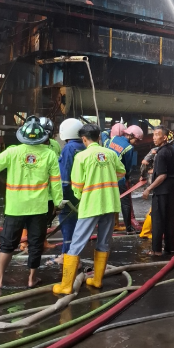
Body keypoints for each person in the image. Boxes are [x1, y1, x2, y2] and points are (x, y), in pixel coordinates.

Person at [0, 117, 61, 289]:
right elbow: (55, 182)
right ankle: (31, 279)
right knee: (36, 244)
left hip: (15, 208)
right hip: (39, 208)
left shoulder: (12, 152)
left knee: (7, 245)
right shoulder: (49, 154)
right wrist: (58, 202)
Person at [53, 124, 126, 295]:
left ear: (84, 139)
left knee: (76, 244)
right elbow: (121, 172)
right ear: (99, 137)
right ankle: (97, 281)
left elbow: (76, 185)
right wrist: (106, 177)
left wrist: (80, 196)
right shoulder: (110, 154)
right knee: (104, 242)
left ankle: (65, 286)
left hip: (91, 205)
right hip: (110, 204)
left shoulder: (82, 156)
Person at [142, 125, 174, 257]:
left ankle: (156, 250)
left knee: (157, 220)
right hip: (173, 189)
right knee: (169, 220)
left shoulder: (161, 153)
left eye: (157, 134)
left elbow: (162, 175)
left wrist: (148, 189)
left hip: (162, 191)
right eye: (153, 134)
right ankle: (170, 248)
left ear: (164, 137)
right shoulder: (172, 150)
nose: (154, 137)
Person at [56, 118, 86, 255]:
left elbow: (65, 173)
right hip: (83, 192)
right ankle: (73, 253)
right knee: (78, 223)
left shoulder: (69, 148)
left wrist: (60, 196)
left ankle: (66, 254)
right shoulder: (85, 146)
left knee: (67, 221)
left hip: (70, 193)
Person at [106, 124, 141, 232]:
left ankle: (108, 227)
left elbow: (104, 136)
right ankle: (128, 229)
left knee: (109, 201)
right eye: (137, 140)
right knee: (125, 202)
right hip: (118, 178)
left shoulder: (113, 139)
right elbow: (127, 167)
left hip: (106, 176)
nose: (137, 143)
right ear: (130, 136)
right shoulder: (129, 148)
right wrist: (127, 178)